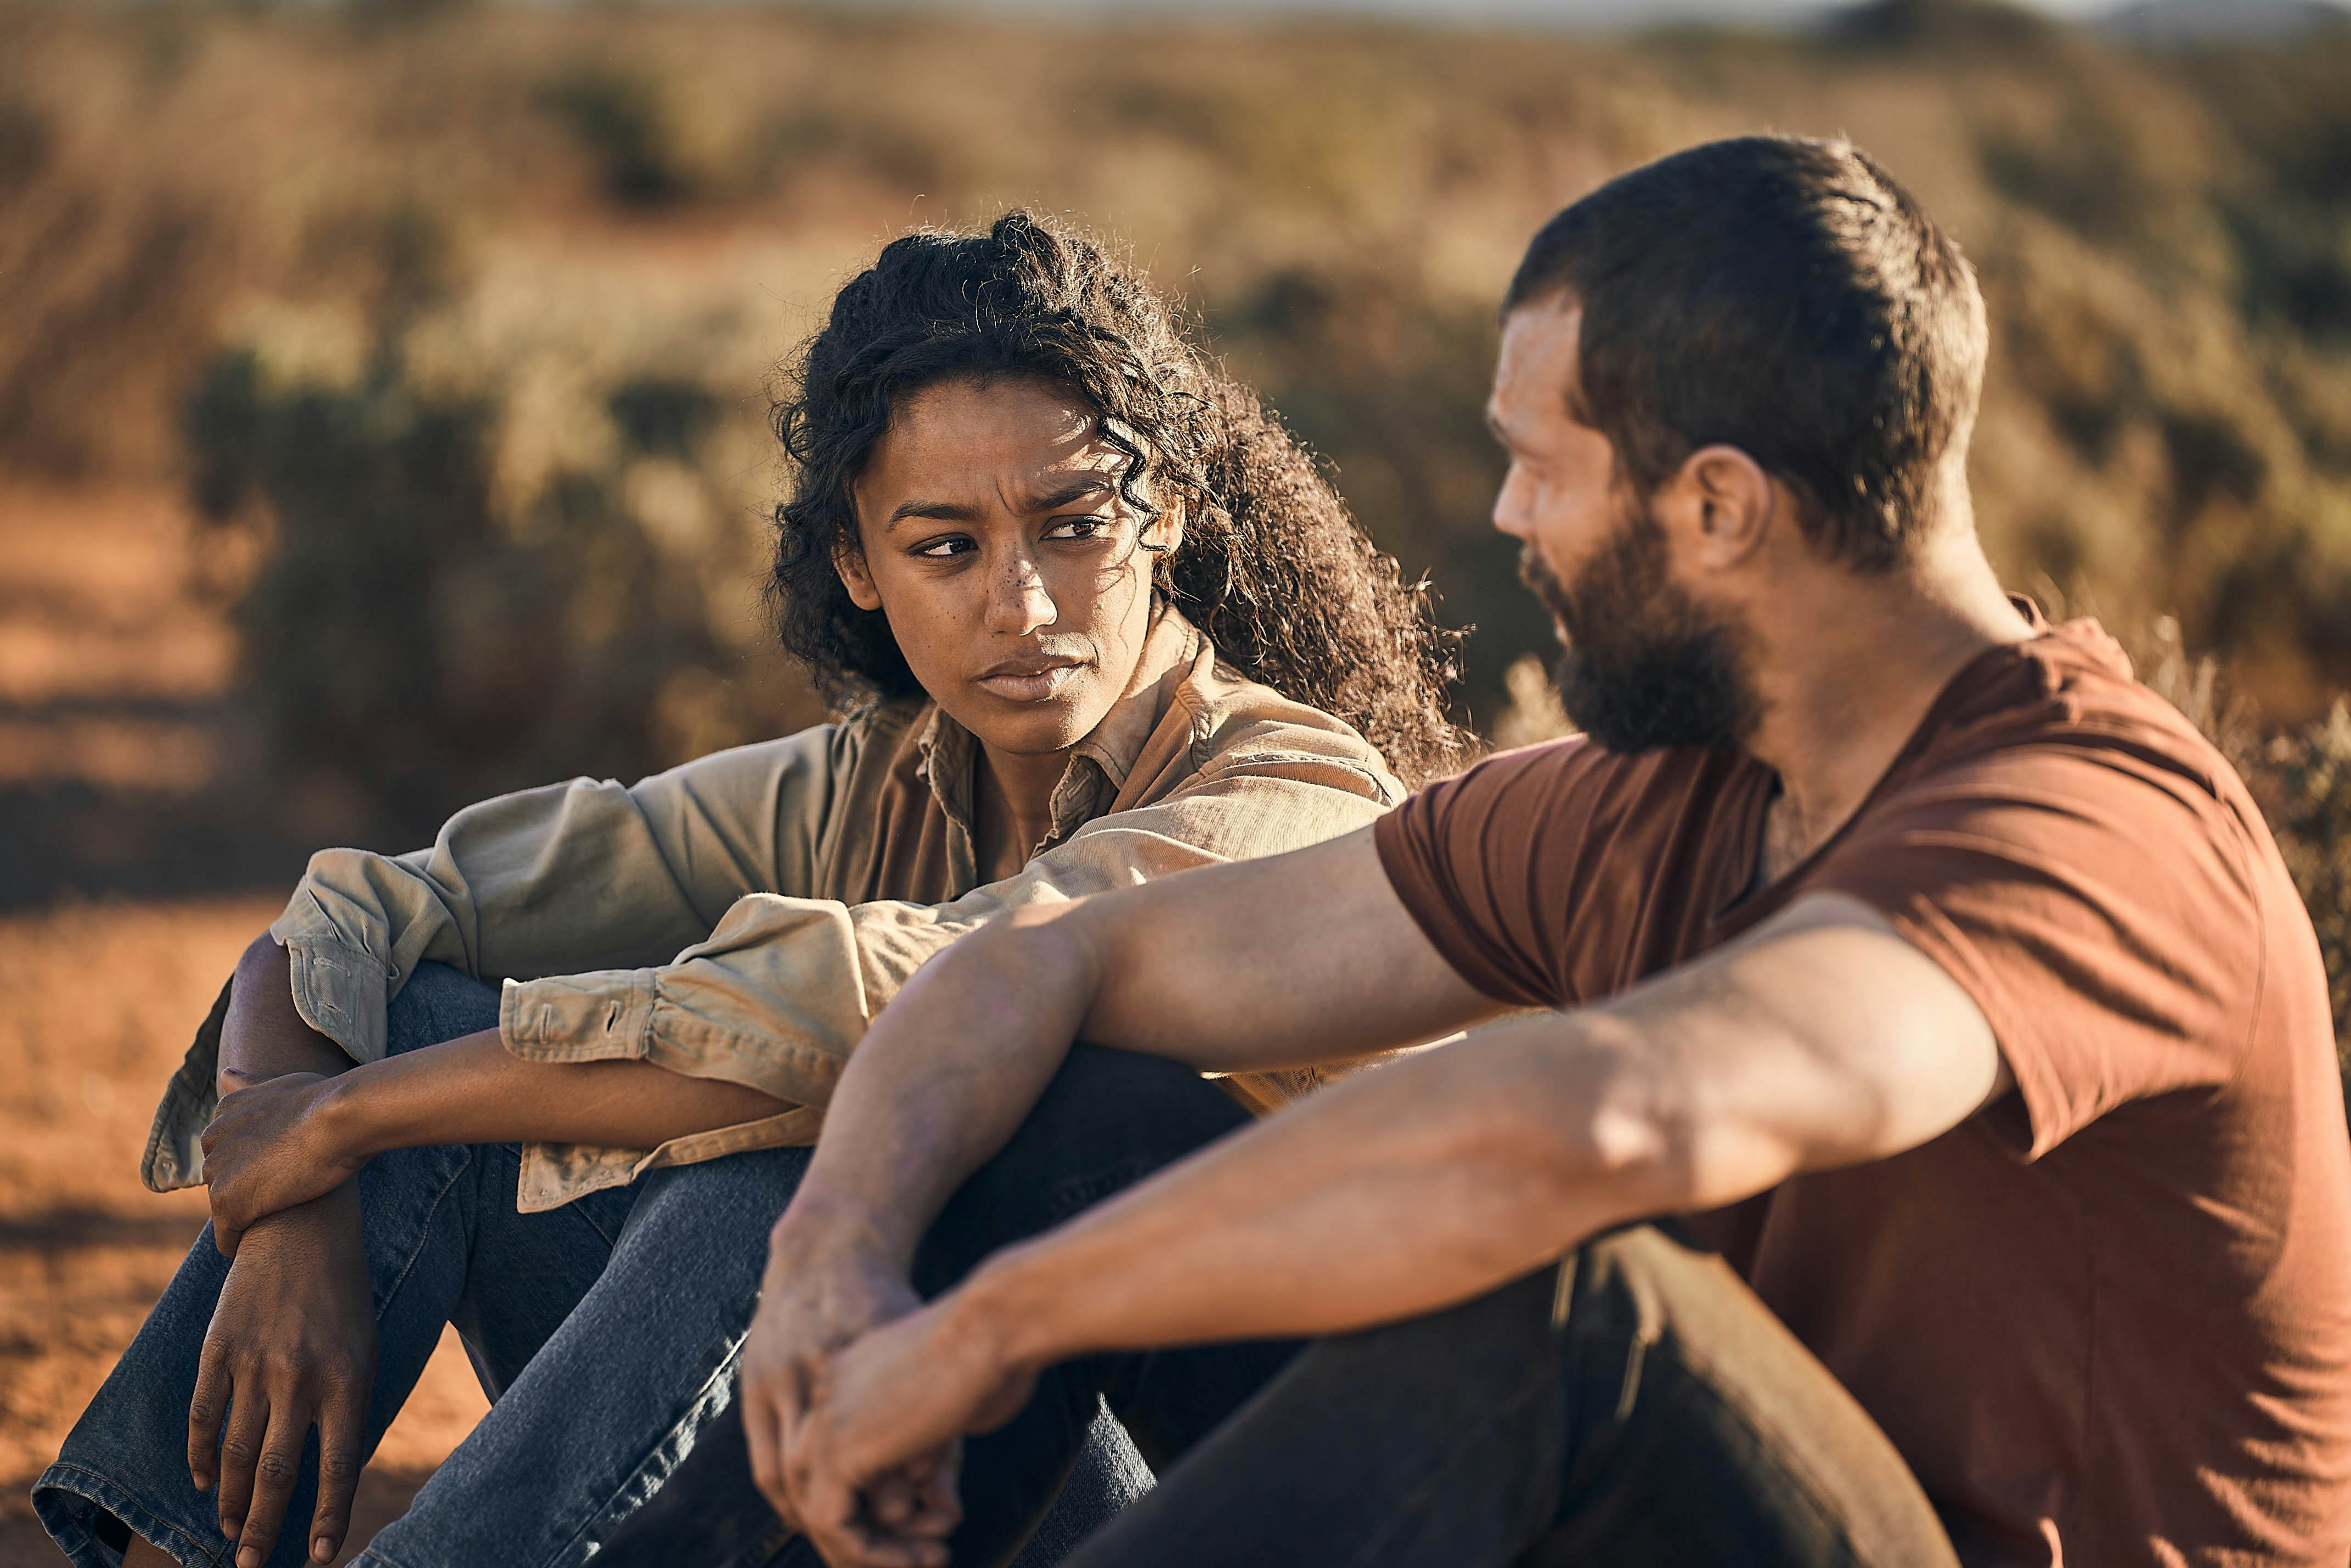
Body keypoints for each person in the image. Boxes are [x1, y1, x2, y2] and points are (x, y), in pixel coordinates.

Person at [735, 138, 2351, 1568]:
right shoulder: (1652, 798)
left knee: (1577, 1309)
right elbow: (1059, 954)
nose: (1508, 517)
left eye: (1544, 466)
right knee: (1094, 1113)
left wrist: (1006, 1320)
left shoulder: (2092, 828)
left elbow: (1618, 1116)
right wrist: (839, 1251)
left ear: (1716, 506)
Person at [32, 211, 1464, 1568]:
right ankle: (171, 1545)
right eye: (947, 546)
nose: (1021, 605)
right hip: (881, 1443)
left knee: (786, 1143)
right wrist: (296, 1194)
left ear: (1166, 522)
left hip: (1220, 1494)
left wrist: (347, 1115)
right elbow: (363, 908)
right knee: (415, 1012)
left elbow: (883, 1004)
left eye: (1075, 527)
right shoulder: (872, 782)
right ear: (857, 561)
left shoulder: (1291, 798)